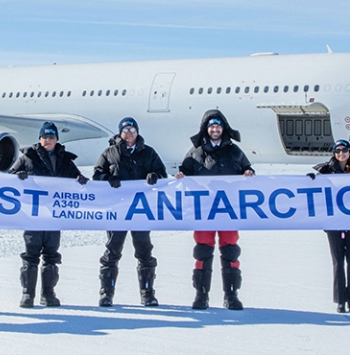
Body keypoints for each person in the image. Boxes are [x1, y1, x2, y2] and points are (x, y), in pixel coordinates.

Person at [174, 110, 254, 310]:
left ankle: (231, 295)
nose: (215, 129)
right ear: (206, 129)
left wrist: (248, 172)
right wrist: (181, 175)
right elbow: (184, 171)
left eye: (218, 126)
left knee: (230, 250)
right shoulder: (196, 152)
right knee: (202, 250)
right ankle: (201, 295)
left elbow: (247, 169)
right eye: (211, 126)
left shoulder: (234, 151)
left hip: (228, 209)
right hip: (204, 210)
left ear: (223, 128)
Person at [9, 121, 89, 308]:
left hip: (54, 214)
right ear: (40, 139)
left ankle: (48, 294)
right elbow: (8, 178)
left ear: (56, 139)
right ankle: (27, 294)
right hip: (34, 214)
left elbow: (77, 181)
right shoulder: (28, 157)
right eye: (44, 137)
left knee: (51, 254)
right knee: (31, 253)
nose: (48, 140)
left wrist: (80, 180)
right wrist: (18, 175)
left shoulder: (65, 160)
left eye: (51, 137)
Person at [91, 117, 168, 307]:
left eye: (132, 130)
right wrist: (108, 178)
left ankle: (147, 293)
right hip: (117, 209)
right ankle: (106, 293)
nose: (129, 133)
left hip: (140, 210)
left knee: (144, 250)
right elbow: (97, 175)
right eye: (125, 130)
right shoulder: (110, 153)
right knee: (112, 251)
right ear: (120, 133)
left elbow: (162, 174)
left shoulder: (148, 153)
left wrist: (155, 176)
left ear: (137, 132)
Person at [309, 139, 350, 313]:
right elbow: (315, 187)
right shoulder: (326, 170)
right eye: (337, 151)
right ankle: (340, 300)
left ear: (349, 152)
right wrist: (310, 180)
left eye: (344, 150)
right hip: (334, 221)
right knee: (338, 261)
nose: (341, 153)